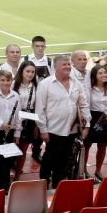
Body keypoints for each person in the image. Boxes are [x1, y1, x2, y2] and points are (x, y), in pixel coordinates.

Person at [35, 55, 90, 189]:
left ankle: (57, 185)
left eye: (68, 64)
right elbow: (39, 109)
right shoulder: (45, 84)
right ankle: (44, 182)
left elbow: (83, 104)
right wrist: (43, 130)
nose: (68, 67)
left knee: (64, 160)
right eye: (64, 65)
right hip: (53, 129)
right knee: (49, 158)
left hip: (71, 129)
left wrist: (87, 124)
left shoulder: (76, 83)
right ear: (55, 67)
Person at [85, 64, 107, 181]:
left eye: (105, 72)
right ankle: (84, 170)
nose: (104, 75)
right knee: (87, 145)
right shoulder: (89, 88)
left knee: (102, 146)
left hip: (106, 118)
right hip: (92, 117)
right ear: (94, 76)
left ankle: (98, 171)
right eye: (100, 73)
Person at [13, 61, 41, 177]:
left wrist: (36, 125)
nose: (30, 74)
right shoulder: (14, 84)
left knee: (23, 149)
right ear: (21, 71)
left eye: (32, 72)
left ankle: (17, 176)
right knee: (12, 147)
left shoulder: (36, 86)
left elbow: (37, 106)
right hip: (14, 118)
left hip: (29, 119)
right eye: (27, 71)